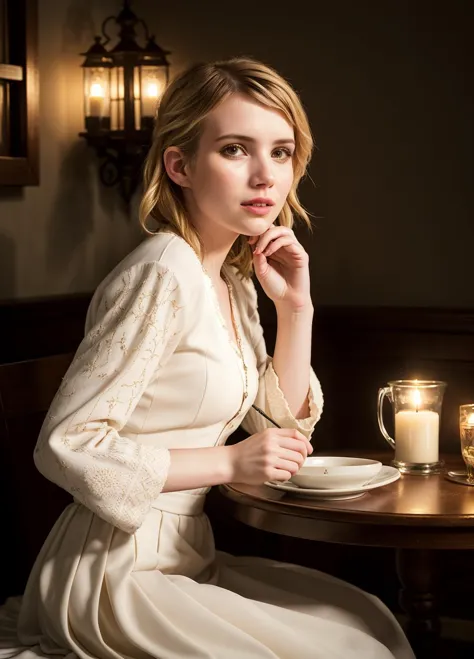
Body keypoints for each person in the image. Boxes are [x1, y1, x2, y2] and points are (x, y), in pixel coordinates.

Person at [0, 58, 414, 659]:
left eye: (281, 152)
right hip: (115, 572)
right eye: (236, 149)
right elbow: (66, 444)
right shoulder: (161, 272)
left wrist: (296, 310)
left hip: (189, 558)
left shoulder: (232, 278)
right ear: (180, 165)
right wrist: (228, 463)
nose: (265, 177)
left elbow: (278, 435)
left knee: (370, 619)